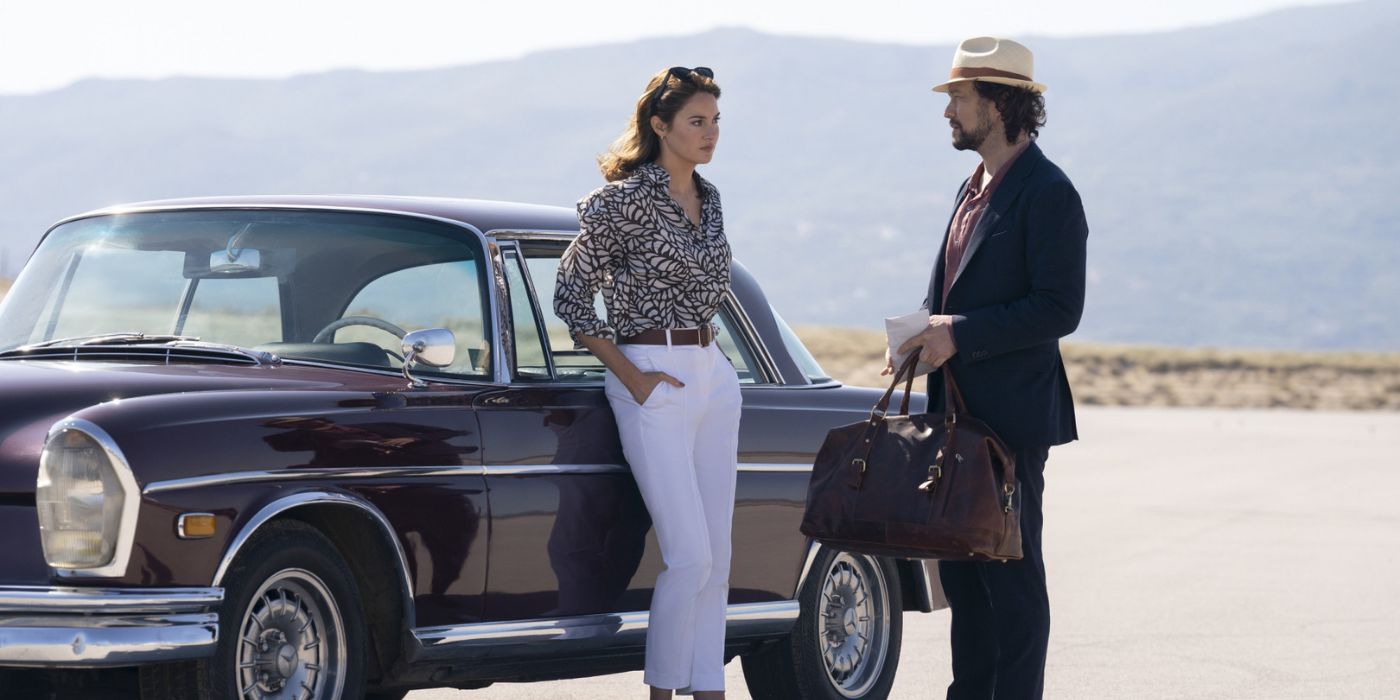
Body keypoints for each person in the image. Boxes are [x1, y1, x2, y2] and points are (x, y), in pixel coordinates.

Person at [889, 37, 1088, 699]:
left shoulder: (1050, 193)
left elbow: (1059, 309)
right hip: (954, 418)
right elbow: (948, 291)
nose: (948, 110)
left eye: (959, 97)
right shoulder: (969, 186)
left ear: (1000, 103)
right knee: (966, 577)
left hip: (1010, 421)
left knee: (1012, 575)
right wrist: (921, 331)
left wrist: (959, 335)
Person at [553, 66, 737, 700]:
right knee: (688, 556)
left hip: (713, 376)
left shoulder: (710, 200)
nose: (710, 133)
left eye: (715, 120)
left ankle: (707, 687)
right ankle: (663, 690)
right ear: (660, 126)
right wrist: (632, 376)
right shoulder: (622, 202)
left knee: (718, 557)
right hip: (650, 376)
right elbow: (572, 299)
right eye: (696, 121)